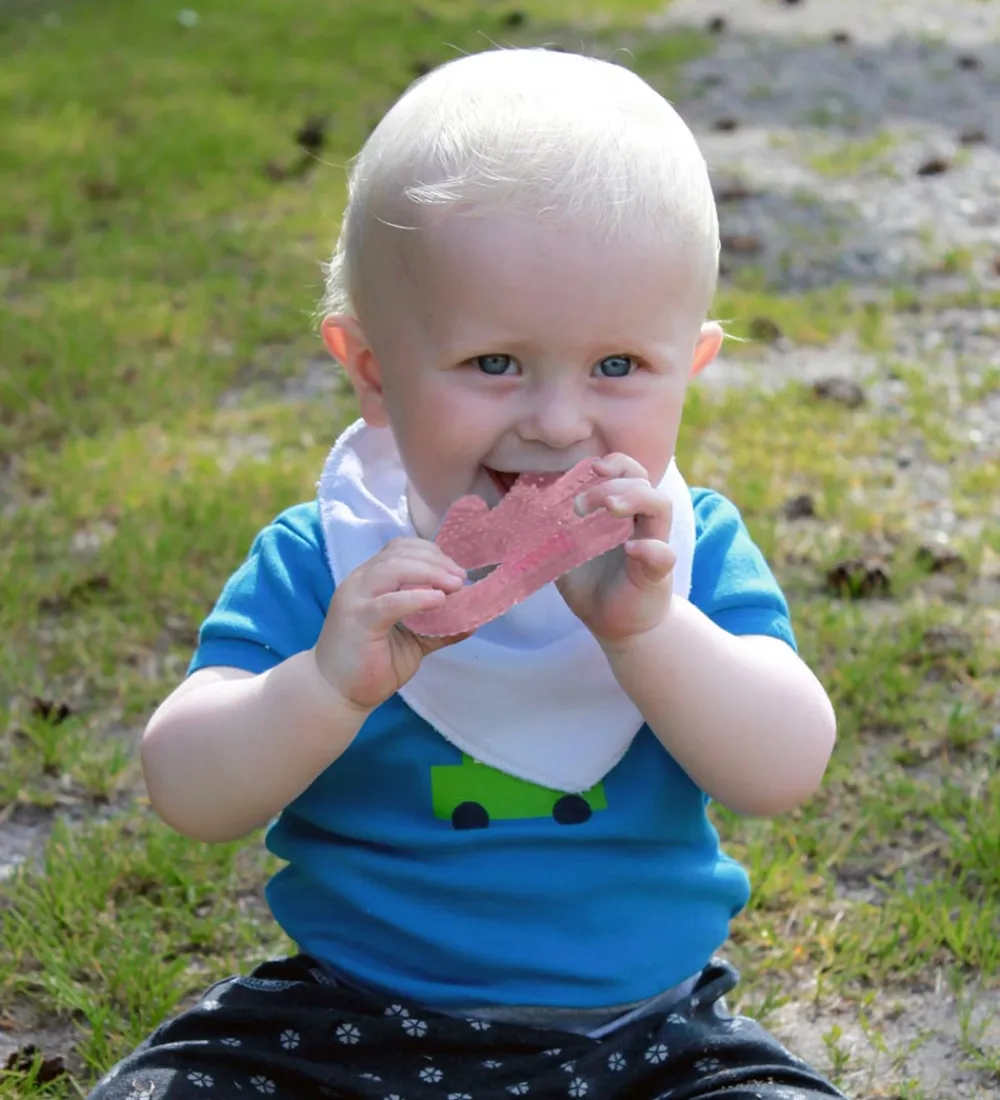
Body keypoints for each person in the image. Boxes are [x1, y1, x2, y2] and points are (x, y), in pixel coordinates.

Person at [88, 47, 844, 1100]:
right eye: (495, 363)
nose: (557, 420)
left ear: (692, 367)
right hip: (351, 1017)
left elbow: (784, 767)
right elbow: (188, 788)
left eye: (617, 366)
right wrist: (326, 684)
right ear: (373, 371)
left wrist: (649, 632)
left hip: (648, 1034)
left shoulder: (684, 549)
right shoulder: (330, 559)